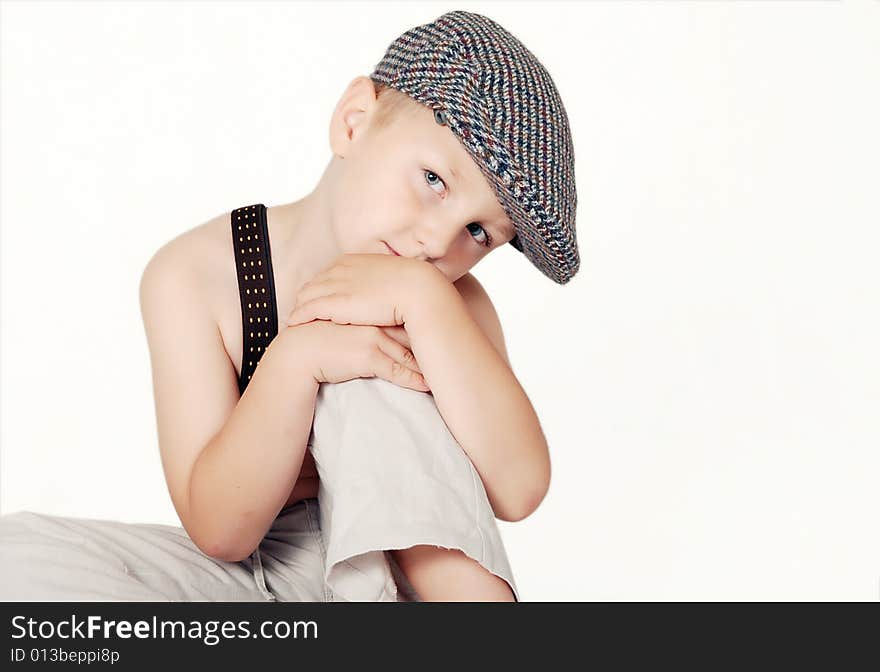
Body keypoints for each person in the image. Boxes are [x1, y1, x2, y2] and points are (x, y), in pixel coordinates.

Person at [0, 10, 577, 602]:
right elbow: (220, 530)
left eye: (479, 232)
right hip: (264, 578)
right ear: (354, 123)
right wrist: (294, 363)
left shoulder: (448, 301)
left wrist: (423, 301)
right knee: (20, 563)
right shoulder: (196, 275)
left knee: (375, 363)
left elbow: (519, 487)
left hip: (394, 580)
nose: (438, 241)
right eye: (433, 180)